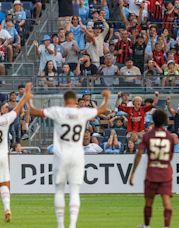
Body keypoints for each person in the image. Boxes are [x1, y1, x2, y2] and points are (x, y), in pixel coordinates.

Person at [26, 84, 110, 228]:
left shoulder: (58, 111)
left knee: (59, 190)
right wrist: (106, 97)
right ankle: (72, 225)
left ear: (64, 100)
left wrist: (28, 97)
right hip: (77, 154)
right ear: (75, 101)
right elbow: (102, 110)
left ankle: (60, 225)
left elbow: (33, 111)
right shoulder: (82, 112)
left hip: (61, 154)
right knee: (75, 191)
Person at [128, 109, 178, 228]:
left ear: (153, 120)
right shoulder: (170, 137)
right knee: (166, 202)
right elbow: (170, 155)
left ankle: (147, 226)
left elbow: (139, 154)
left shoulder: (147, 136)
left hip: (152, 173)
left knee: (149, 202)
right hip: (165, 172)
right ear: (165, 121)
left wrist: (133, 173)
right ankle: (167, 226)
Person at [0, 84, 29, 222]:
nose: (7, 108)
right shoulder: (5, 120)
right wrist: (25, 97)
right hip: (3, 155)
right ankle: (7, 207)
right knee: (5, 183)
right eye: (5, 107)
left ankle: (7, 208)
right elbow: (17, 110)